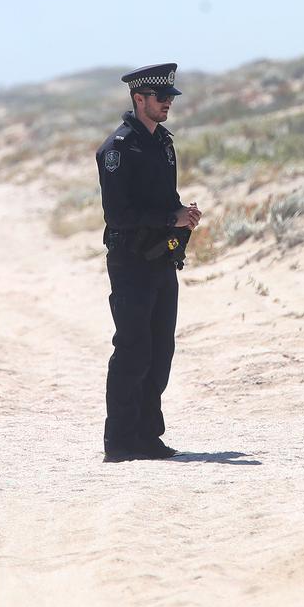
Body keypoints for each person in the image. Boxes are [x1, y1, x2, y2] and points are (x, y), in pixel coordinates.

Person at [95, 63, 202, 463]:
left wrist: (182, 213)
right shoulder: (117, 149)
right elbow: (118, 215)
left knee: (160, 350)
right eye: (161, 98)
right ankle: (120, 441)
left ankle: (147, 435)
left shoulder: (164, 143)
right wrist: (166, 218)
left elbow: (163, 199)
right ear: (139, 99)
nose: (168, 104)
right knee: (133, 349)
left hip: (162, 257)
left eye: (171, 97)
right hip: (130, 261)